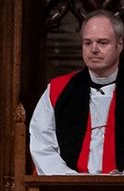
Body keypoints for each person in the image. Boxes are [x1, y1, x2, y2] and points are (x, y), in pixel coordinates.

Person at [30, 9, 124, 174]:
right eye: (87, 43)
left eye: (102, 42)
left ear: (120, 45)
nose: (94, 49)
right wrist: (70, 179)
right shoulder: (59, 90)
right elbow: (41, 142)